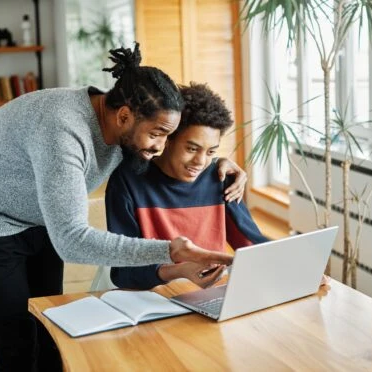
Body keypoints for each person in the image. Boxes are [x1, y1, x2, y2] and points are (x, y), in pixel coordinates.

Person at [0, 44, 244, 371]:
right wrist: (170, 251)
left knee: (47, 323)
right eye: (158, 135)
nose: (160, 147)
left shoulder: (129, 123)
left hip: (41, 217)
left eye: (166, 136)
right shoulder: (64, 131)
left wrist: (219, 164)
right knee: (16, 341)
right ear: (124, 116)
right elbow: (71, 240)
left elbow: (175, 154)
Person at [106, 82, 269, 291]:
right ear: (168, 139)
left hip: (212, 295)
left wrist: (295, 272)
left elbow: (253, 247)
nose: (200, 162)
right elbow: (123, 273)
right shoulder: (128, 181)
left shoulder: (220, 178)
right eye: (192, 149)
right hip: (153, 298)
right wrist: (179, 271)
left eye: (211, 152)